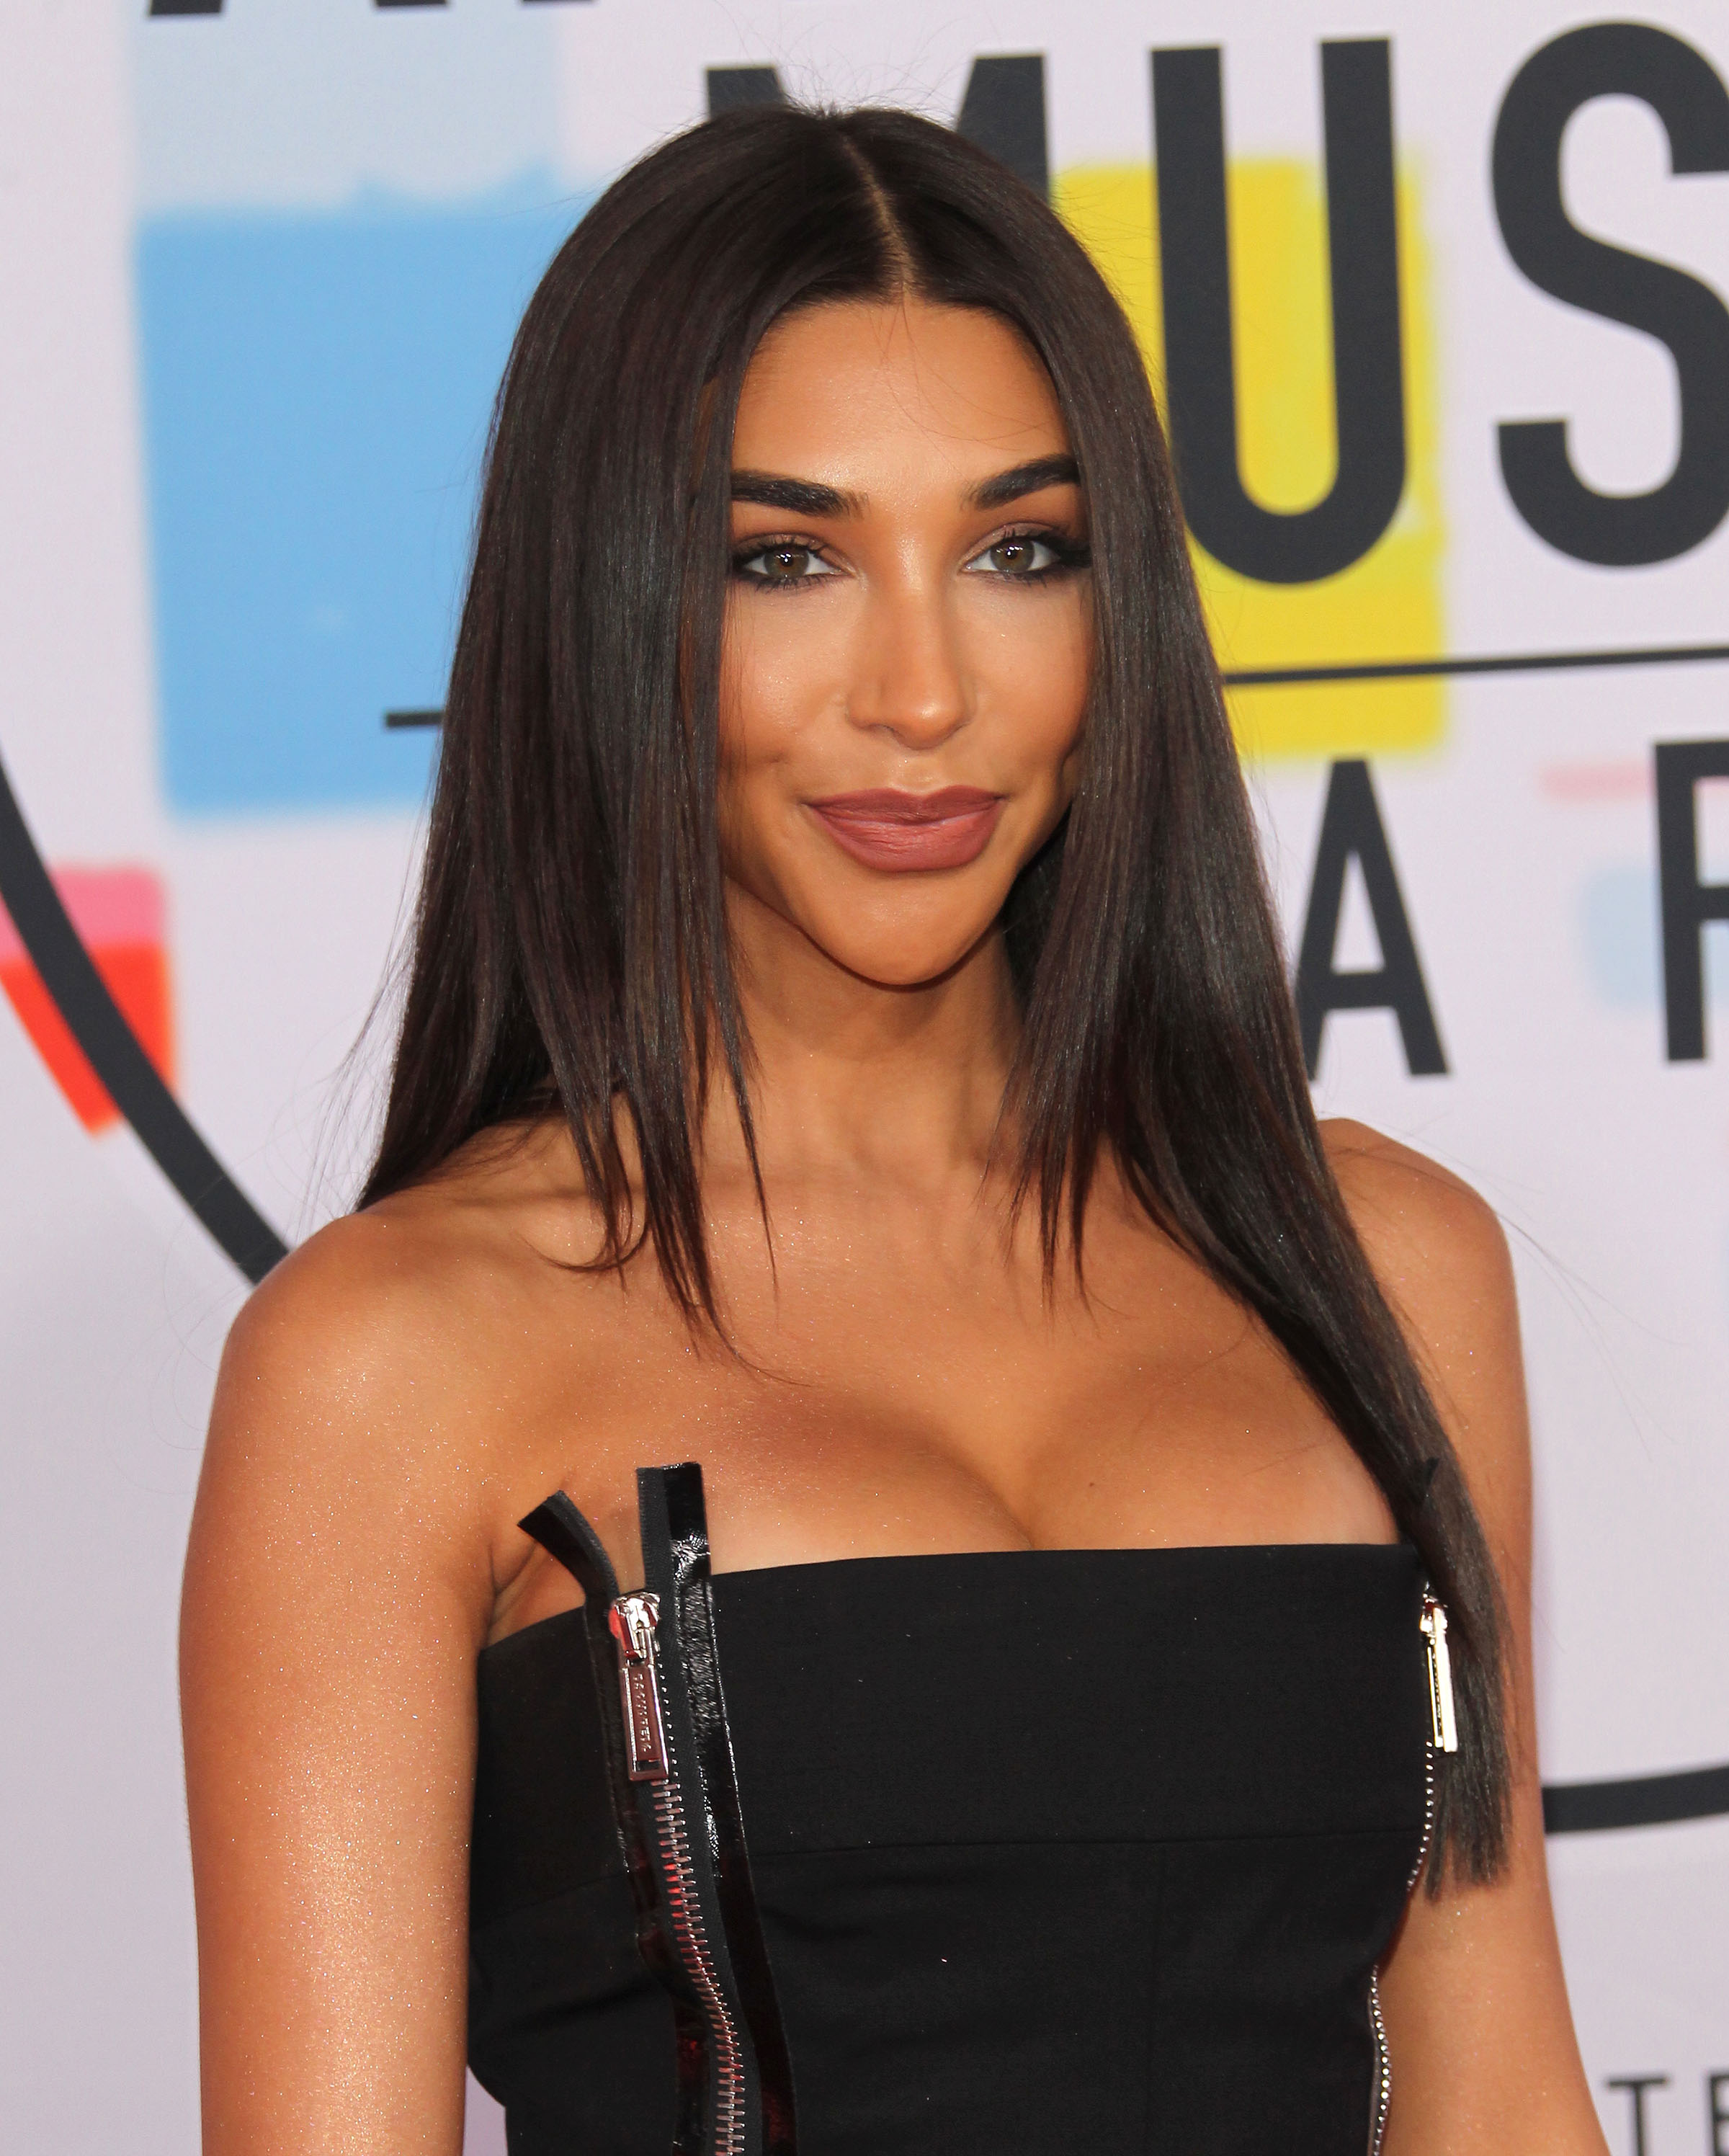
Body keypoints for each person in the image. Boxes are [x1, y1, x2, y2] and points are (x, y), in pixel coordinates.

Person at [180, 104, 1607, 2156]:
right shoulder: (392, 1360)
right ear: (610, 610)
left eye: (1020, 553)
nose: (923, 692)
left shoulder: (1378, 1267)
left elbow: (1502, 2098)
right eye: (786, 560)